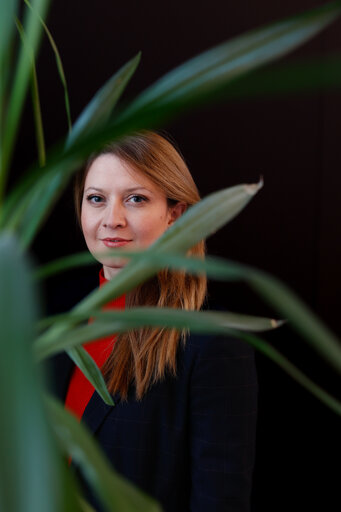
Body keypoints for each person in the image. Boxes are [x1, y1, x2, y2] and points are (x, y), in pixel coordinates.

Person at [52, 131, 258, 512]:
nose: (112, 219)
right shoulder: (56, 331)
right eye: (96, 199)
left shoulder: (211, 346)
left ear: (174, 215)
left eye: (135, 199)